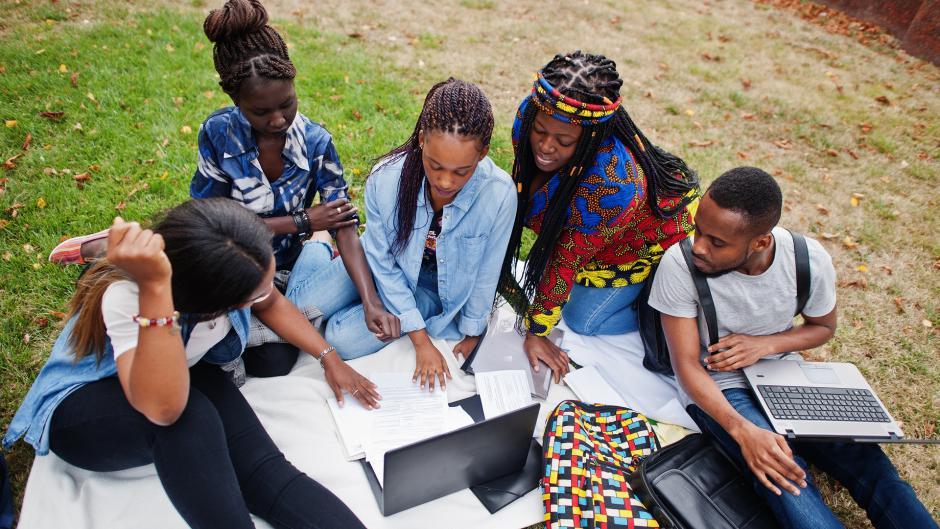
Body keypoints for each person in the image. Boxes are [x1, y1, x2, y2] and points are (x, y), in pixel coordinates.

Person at [48, 0, 399, 377]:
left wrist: (370, 301)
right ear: (235, 102)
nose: (278, 119)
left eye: (287, 104)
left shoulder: (317, 143)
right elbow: (212, 226)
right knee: (267, 357)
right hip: (230, 269)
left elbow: (343, 224)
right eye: (261, 113)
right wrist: (302, 220)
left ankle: (308, 270)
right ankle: (117, 244)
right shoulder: (218, 135)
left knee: (277, 359)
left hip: (285, 268)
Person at [5, 199, 378, 529]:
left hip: (180, 369)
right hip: (86, 407)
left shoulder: (226, 260)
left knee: (266, 473)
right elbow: (164, 410)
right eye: (252, 294)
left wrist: (328, 358)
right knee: (190, 420)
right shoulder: (129, 296)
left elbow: (272, 302)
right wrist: (154, 292)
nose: (264, 296)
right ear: (209, 302)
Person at [648, 167, 937, 529]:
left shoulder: (807, 259)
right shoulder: (679, 264)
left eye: (717, 242)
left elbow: (822, 328)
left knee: (873, 467)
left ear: (761, 242)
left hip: (787, 375)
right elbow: (687, 364)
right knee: (787, 478)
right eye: (698, 231)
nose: (699, 247)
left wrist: (764, 344)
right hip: (721, 387)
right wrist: (742, 431)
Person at [288, 78, 515, 391]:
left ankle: (333, 269)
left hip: (432, 288)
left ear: (483, 153)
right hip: (378, 265)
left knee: (341, 337)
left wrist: (473, 330)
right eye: (435, 166)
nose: (446, 181)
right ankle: (319, 244)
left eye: (461, 171)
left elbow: (487, 272)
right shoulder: (386, 178)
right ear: (422, 139)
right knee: (298, 307)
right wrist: (421, 342)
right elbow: (382, 261)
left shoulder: (500, 194)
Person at [501, 51, 699, 382]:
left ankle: (660, 304)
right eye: (540, 131)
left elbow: (565, 260)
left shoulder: (614, 186)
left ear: (592, 137)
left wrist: (537, 331)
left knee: (582, 320)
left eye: (564, 141)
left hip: (640, 243)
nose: (545, 146)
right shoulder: (533, 112)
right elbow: (521, 187)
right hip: (598, 233)